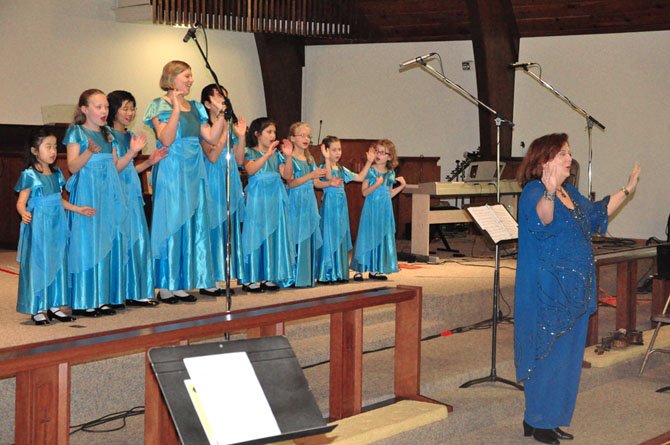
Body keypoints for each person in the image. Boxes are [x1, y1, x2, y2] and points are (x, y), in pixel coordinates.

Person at [514, 133, 640, 444]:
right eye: (563, 153)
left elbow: (598, 212)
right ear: (545, 160)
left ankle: (551, 417)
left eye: (569, 153)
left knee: (568, 360)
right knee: (548, 355)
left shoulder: (571, 193)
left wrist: (627, 188)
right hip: (549, 291)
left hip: (576, 290)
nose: (570, 158)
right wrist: (549, 190)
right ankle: (538, 420)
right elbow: (543, 218)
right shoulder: (534, 192)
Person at [144, 60, 226, 304]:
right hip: (172, 167)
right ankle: (166, 284)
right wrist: (177, 109)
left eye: (191, 76)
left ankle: (180, 281)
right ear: (172, 77)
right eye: (187, 76)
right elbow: (166, 139)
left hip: (194, 167)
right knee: (170, 220)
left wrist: (220, 115)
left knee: (192, 221)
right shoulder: (158, 105)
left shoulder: (197, 107)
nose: (191, 80)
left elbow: (210, 136)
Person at [15, 127, 95, 325]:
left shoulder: (57, 173)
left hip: (56, 225)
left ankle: (54, 305)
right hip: (39, 225)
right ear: (35, 151)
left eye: (55, 147)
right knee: (40, 263)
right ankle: (38, 307)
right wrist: (23, 212)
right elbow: (21, 201)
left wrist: (77, 209)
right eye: (48, 147)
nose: (53, 151)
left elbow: (59, 200)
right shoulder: (29, 175)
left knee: (58, 261)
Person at [65, 89, 129, 317]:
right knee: (87, 243)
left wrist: (132, 152)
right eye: (98, 107)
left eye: (106, 107)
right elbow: (72, 167)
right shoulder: (77, 132)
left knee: (105, 240)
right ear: (84, 109)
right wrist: (89, 153)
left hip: (106, 192)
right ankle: (84, 298)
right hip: (87, 193)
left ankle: (102, 297)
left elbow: (115, 166)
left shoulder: (108, 134)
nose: (104, 111)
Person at [107, 90, 167, 307]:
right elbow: (114, 169)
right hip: (115, 196)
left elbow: (129, 170)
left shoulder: (129, 137)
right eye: (125, 108)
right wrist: (132, 153)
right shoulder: (108, 136)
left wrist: (150, 161)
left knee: (138, 239)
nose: (130, 113)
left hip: (132, 194)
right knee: (120, 241)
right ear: (113, 110)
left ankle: (137, 289)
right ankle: (117, 292)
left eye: (132, 108)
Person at [200, 84, 248, 294]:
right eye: (218, 96)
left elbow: (238, 159)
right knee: (213, 227)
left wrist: (241, 135)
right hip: (212, 179)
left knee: (229, 228)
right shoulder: (203, 126)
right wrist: (223, 133)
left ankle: (227, 274)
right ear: (207, 103)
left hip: (230, 178)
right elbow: (211, 156)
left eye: (225, 97)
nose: (223, 100)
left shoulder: (230, 124)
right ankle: (210, 278)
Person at [241, 117, 294, 292]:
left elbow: (287, 175)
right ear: (257, 134)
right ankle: (251, 277)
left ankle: (269, 274)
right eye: (269, 132)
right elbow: (250, 170)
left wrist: (288, 157)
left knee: (273, 234)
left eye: (274, 132)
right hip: (257, 197)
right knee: (255, 233)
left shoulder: (276, 154)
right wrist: (267, 155)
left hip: (274, 197)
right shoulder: (249, 151)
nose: (273, 135)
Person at [316, 136, 374, 283]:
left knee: (341, 236)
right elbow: (328, 177)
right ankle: (327, 273)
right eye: (334, 150)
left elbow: (360, 177)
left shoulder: (342, 169)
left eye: (339, 149)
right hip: (330, 206)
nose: (338, 153)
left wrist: (369, 161)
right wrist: (327, 159)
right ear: (326, 150)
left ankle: (340, 272)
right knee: (330, 236)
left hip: (342, 207)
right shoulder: (323, 167)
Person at [283, 122, 332, 287]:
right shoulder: (289, 159)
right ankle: (292, 276)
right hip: (295, 200)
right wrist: (311, 175)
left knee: (307, 236)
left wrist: (330, 182)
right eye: (302, 135)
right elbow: (291, 183)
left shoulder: (309, 159)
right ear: (292, 138)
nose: (306, 138)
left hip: (309, 202)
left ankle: (305, 276)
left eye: (308, 136)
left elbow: (317, 183)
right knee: (294, 236)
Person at [350, 139, 406, 281]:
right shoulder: (370, 171)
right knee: (367, 235)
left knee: (381, 236)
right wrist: (376, 185)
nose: (379, 155)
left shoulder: (390, 173)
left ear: (389, 156)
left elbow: (389, 194)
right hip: (371, 209)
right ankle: (360, 269)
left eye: (383, 152)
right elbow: (364, 192)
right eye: (377, 152)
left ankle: (376, 268)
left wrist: (401, 186)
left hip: (385, 210)